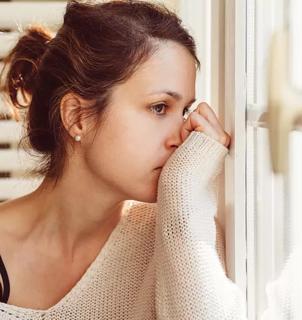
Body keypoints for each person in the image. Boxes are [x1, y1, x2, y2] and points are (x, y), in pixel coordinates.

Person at [0, 1, 246, 319]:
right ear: (77, 117)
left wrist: (183, 189)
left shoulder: (179, 233)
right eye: (159, 108)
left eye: (184, 111)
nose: (182, 136)